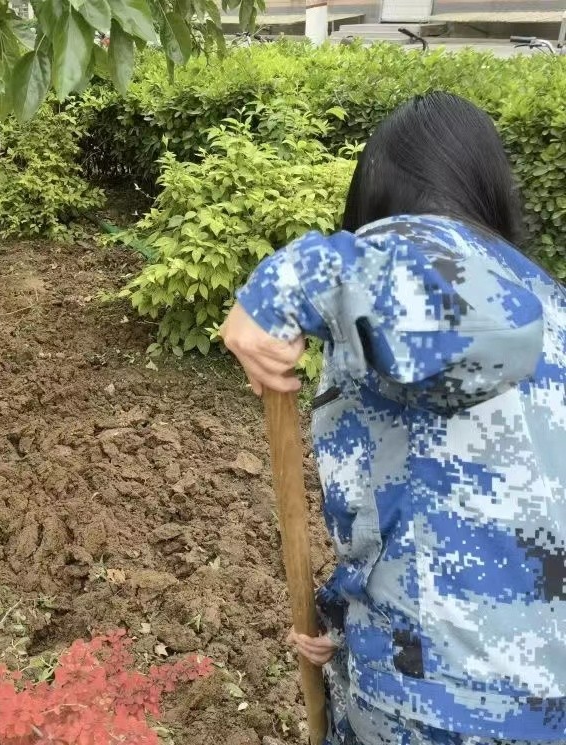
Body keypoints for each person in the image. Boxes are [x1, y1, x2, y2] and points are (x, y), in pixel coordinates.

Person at [220, 91, 566, 744]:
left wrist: (275, 288)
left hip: (428, 703)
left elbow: (429, 265)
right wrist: (346, 623)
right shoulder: (553, 306)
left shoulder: (420, 259)